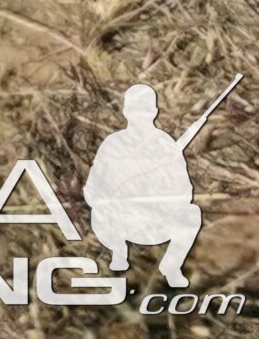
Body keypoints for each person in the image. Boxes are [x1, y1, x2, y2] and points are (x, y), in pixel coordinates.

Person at [83, 84, 203, 287]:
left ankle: (172, 266)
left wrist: (159, 195)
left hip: (154, 222)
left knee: (192, 213)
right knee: (99, 212)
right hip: (118, 221)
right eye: (135, 110)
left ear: (154, 112)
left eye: (145, 110)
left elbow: (185, 192)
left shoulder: (166, 144)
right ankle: (118, 252)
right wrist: (111, 200)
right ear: (126, 112)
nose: (140, 116)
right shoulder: (112, 143)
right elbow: (92, 187)